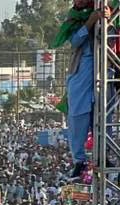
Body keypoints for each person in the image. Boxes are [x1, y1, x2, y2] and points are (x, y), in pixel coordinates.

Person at [54, 0, 102, 178]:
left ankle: (103, 154)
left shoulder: (107, 9)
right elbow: (75, 41)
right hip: (81, 68)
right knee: (77, 115)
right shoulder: (74, 17)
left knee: (103, 114)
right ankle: (79, 160)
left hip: (104, 67)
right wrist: (90, 22)